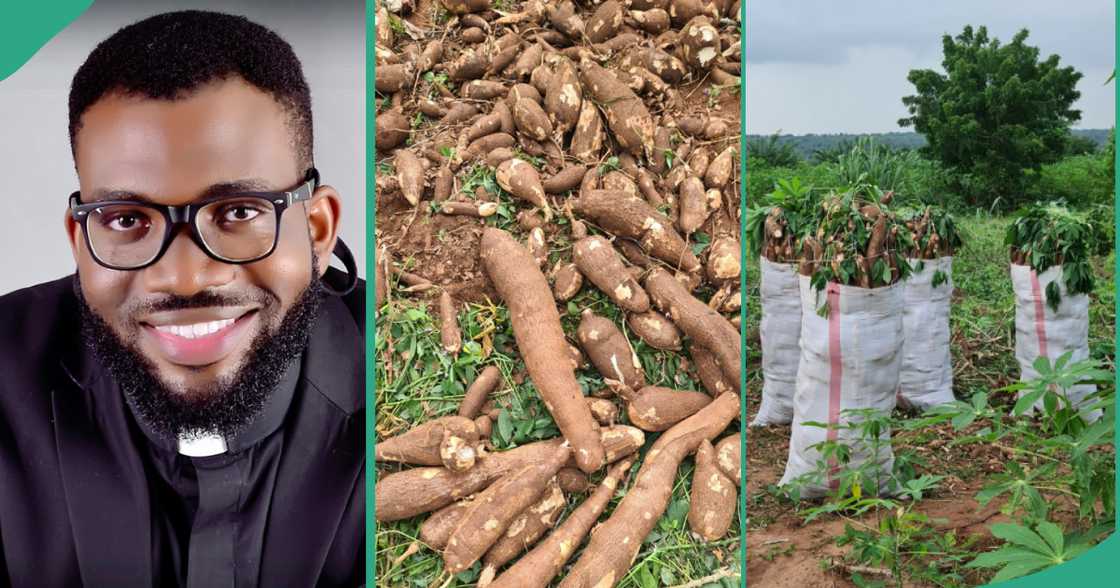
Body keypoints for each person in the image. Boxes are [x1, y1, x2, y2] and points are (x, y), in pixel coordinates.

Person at [0, 10, 364, 588]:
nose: (186, 276)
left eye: (239, 212)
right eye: (126, 219)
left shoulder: (396, 382)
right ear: (80, 241)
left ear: (317, 228)